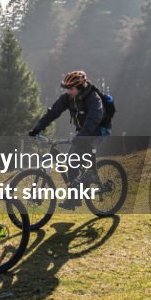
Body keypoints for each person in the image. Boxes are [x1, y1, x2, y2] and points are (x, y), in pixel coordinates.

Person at [28, 70, 106, 205]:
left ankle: (91, 176)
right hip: (82, 131)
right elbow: (52, 113)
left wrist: (82, 135)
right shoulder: (67, 98)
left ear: (81, 87)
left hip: (97, 130)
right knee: (72, 162)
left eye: (71, 88)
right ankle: (75, 196)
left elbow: (95, 118)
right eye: (67, 88)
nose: (68, 91)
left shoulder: (93, 97)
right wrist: (37, 128)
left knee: (74, 158)